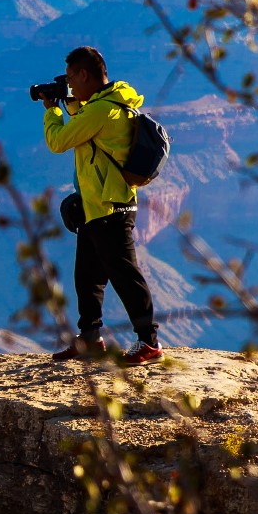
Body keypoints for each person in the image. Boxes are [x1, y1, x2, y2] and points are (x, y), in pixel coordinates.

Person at [41, 45, 162, 365]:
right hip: (98, 207)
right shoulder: (107, 105)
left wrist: (52, 109)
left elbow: (59, 142)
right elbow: (86, 122)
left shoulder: (101, 110)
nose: (69, 84)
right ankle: (91, 339)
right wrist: (70, 102)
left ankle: (149, 341)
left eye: (71, 78)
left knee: (125, 274)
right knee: (88, 276)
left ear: (83, 74)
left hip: (110, 207)